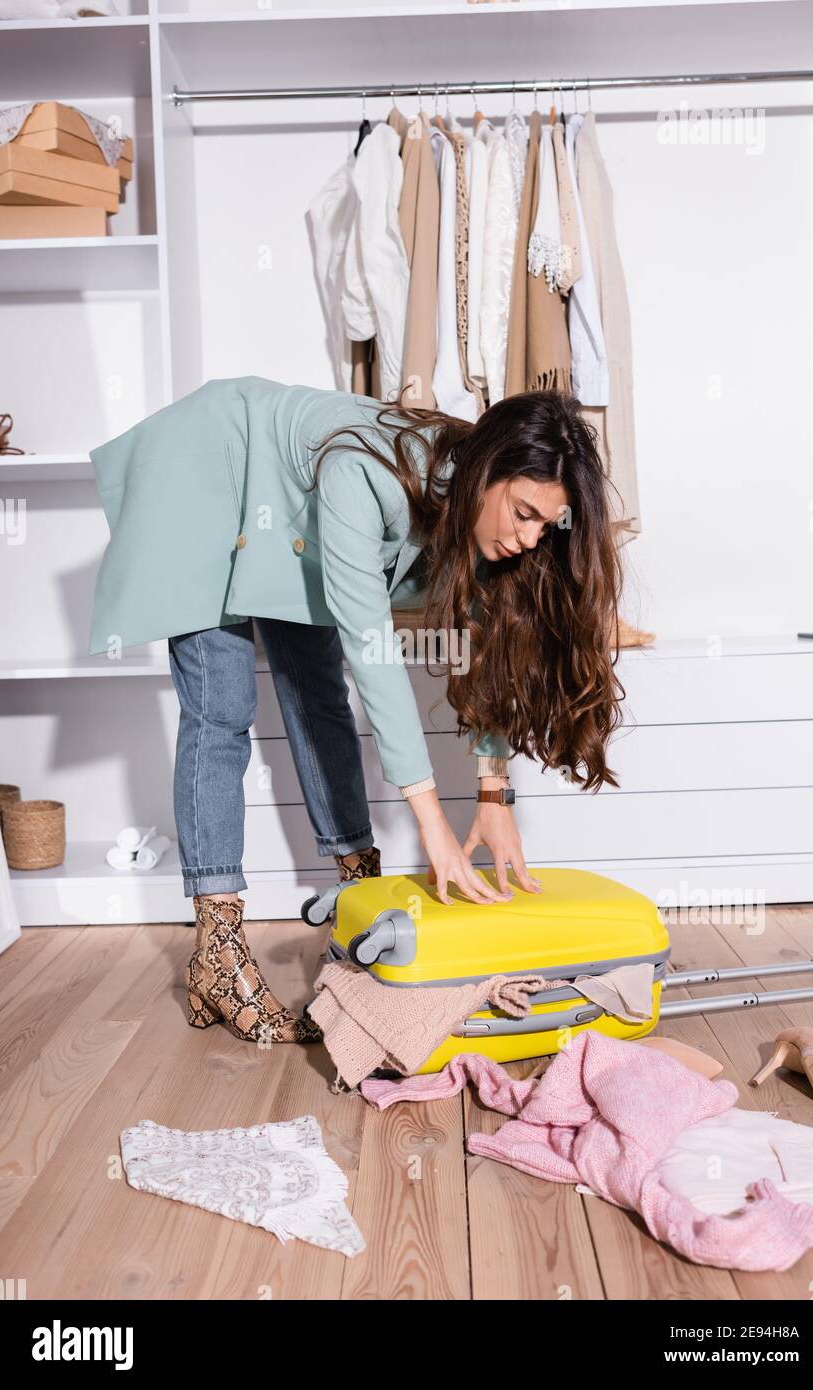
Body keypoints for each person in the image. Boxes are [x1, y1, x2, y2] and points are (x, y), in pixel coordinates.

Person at [87, 378, 627, 1045]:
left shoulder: (487, 524)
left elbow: (484, 652)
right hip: (209, 466)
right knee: (220, 707)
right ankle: (216, 954)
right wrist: (429, 821)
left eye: (547, 525)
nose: (530, 537)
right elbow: (373, 652)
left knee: (318, 695)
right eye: (522, 513)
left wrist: (494, 793)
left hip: (284, 503)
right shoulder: (362, 476)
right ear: (487, 473)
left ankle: (355, 905)